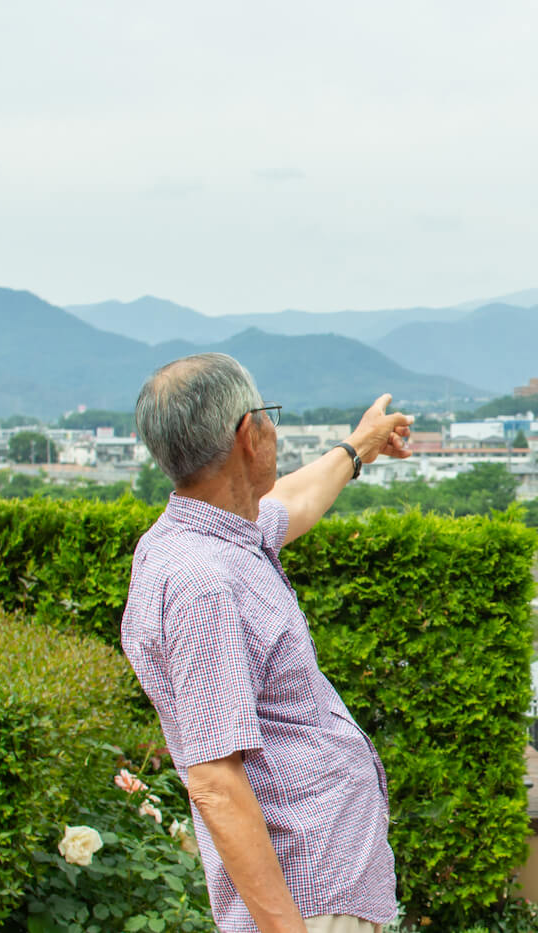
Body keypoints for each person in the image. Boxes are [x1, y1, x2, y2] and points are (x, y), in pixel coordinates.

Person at [121, 352, 413, 933]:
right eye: (268, 415)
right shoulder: (204, 582)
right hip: (308, 902)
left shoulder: (220, 534)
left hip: (327, 887)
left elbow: (293, 502)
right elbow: (215, 782)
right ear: (248, 435)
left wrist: (358, 448)